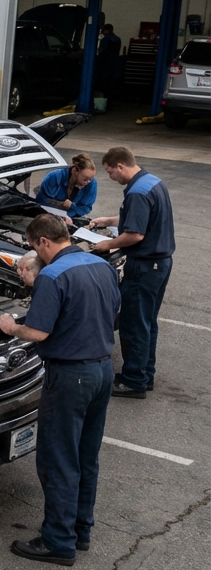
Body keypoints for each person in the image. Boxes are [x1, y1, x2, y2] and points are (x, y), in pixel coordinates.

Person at [0, 214, 120, 566]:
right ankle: (81, 530)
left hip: (69, 378)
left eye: (34, 247)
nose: (37, 253)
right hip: (101, 370)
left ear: (43, 243)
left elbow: (38, 333)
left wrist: (10, 326)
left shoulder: (51, 276)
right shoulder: (100, 265)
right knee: (85, 456)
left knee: (59, 459)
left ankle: (58, 541)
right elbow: (115, 313)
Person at [90, 147, 175, 399]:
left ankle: (133, 381)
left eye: (109, 172)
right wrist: (108, 220)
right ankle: (144, 374)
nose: (110, 177)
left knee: (134, 323)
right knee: (148, 321)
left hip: (145, 266)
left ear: (119, 166)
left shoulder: (137, 192)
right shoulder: (151, 181)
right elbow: (140, 218)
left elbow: (136, 234)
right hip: (161, 264)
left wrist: (107, 244)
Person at [34, 154, 98, 220]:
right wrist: (60, 204)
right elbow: (41, 200)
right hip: (48, 216)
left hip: (71, 218)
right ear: (75, 171)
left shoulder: (92, 184)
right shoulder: (55, 177)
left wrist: (72, 206)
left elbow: (86, 208)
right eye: (85, 179)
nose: (88, 182)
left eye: (91, 178)